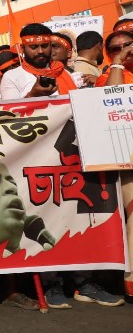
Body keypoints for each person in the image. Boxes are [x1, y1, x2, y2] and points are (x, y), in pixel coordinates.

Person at [93, 30, 133, 301]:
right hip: (128, 158)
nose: (124, 50)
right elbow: (111, 98)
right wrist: (118, 64)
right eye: (116, 49)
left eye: (128, 45)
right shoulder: (107, 77)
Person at [0, 24, 76, 100]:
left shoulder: (62, 72)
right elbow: (11, 107)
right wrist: (32, 95)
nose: (40, 51)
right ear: (22, 48)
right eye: (34, 47)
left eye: (44, 46)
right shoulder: (11, 77)